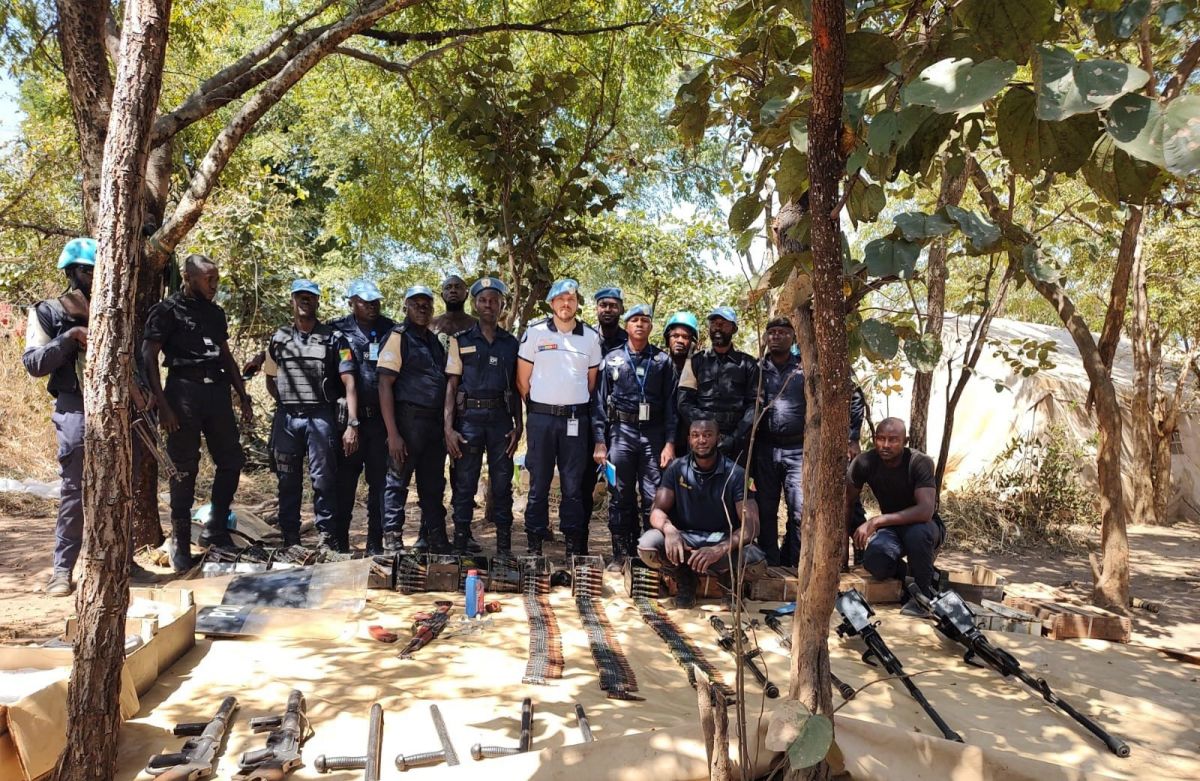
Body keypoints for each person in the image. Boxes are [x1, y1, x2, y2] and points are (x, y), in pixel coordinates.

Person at [22, 238, 153, 593]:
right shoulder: (49, 311)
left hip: (121, 410)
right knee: (75, 490)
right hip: (76, 409)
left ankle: (123, 563)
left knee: (122, 489)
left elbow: (134, 362)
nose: (94, 276)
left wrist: (143, 394)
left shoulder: (118, 312)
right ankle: (63, 571)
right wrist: (70, 337)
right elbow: (33, 363)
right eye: (86, 270)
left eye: (98, 270)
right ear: (70, 272)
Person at [142, 254, 252, 571]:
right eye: (208, 279)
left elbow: (226, 356)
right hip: (183, 393)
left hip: (216, 393)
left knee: (232, 460)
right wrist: (163, 405)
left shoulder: (216, 313)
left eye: (217, 279)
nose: (214, 285)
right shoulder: (166, 311)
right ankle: (180, 538)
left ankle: (216, 527)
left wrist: (243, 396)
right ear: (188, 278)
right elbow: (148, 356)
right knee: (184, 467)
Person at [264, 279, 359, 550]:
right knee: (287, 481)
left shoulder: (335, 338)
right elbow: (270, 378)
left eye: (310, 297)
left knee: (324, 480)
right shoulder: (279, 338)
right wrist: (286, 403)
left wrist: (352, 423)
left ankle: (326, 538)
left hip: (320, 417)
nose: (305, 301)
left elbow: (350, 381)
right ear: (292, 300)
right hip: (287, 419)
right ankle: (290, 539)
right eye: (300, 296)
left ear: (318, 301)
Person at [637, 418, 766, 609]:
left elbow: (751, 526)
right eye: (695, 435)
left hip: (721, 542)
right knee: (647, 546)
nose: (701, 440)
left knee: (756, 562)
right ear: (689, 439)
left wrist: (719, 549)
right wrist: (670, 530)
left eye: (707, 435)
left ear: (718, 439)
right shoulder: (676, 468)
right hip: (685, 541)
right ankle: (685, 578)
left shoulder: (736, 474)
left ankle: (728, 581)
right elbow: (657, 511)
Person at [517, 279, 602, 554]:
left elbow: (591, 383)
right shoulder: (535, 333)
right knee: (538, 484)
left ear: (577, 304)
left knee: (573, 485)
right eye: (561, 299)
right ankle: (534, 544)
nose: (566, 304)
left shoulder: (590, 337)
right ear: (552, 303)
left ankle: (573, 546)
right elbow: (522, 381)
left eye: (571, 299)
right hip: (541, 420)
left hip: (575, 421)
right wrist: (542, 406)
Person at [592, 304, 676, 571]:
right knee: (620, 494)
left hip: (653, 435)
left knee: (653, 496)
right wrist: (600, 441)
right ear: (627, 326)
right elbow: (599, 404)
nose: (640, 324)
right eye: (635, 320)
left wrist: (670, 443)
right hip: (621, 433)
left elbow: (671, 405)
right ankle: (621, 554)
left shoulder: (662, 361)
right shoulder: (612, 359)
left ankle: (647, 555)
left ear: (651, 327)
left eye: (645, 320)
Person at [444, 277, 522, 555]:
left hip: (501, 420)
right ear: (475, 304)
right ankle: (460, 544)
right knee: (465, 484)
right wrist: (448, 429)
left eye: (494, 300)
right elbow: (451, 386)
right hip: (469, 420)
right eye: (483, 300)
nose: (488, 305)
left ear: (502, 305)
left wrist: (519, 425)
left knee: (502, 485)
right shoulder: (460, 341)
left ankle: (503, 549)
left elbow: (517, 387)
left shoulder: (511, 344)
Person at [847, 417, 946, 613]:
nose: (885, 445)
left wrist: (876, 521)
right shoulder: (865, 462)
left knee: (917, 535)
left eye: (893, 440)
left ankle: (922, 598)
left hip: (924, 526)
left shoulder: (919, 462)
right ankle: (918, 577)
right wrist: (842, 545)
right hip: (892, 528)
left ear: (905, 441)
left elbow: (925, 511)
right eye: (880, 438)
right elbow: (846, 502)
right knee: (874, 561)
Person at [378, 286, 451, 553]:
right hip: (407, 422)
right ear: (405, 307)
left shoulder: (434, 341)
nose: (422, 308)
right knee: (397, 483)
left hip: (433, 425)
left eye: (427, 304)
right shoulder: (398, 337)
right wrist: (393, 434)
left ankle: (436, 539)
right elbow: (384, 384)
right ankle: (393, 540)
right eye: (416, 303)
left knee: (433, 485)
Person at [329, 279, 395, 554]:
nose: (372, 306)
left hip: (380, 422)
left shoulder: (391, 329)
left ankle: (374, 543)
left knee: (379, 485)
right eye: (365, 302)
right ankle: (340, 542)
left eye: (375, 301)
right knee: (344, 484)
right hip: (348, 423)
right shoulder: (336, 330)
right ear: (352, 303)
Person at [676, 307, 757, 460]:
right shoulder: (695, 361)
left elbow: (755, 405)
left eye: (723, 324)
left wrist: (735, 437)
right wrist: (706, 430)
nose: (717, 328)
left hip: (736, 443)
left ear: (734, 329)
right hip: (702, 441)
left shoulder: (748, 364)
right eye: (714, 323)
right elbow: (684, 402)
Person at [662, 311, 699, 453]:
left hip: (690, 438)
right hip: (661, 439)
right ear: (668, 339)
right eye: (675, 336)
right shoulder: (658, 366)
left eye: (685, 337)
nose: (680, 340)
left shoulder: (699, 368)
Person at [430, 274, 477, 341]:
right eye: (448, 288)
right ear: (442, 295)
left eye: (458, 287)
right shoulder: (431, 325)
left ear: (466, 295)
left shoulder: (477, 325)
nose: (453, 291)